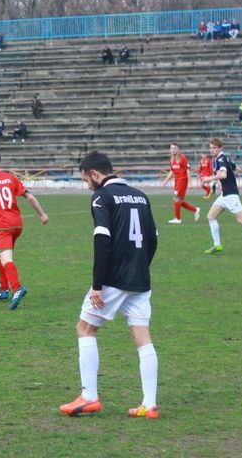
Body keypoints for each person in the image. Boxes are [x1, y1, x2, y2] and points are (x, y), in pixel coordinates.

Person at [59, 151, 159, 419]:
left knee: (85, 328)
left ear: (95, 174)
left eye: (85, 180)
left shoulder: (102, 197)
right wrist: (140, 267)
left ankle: (89, 396)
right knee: (142, 336)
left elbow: (102, 240)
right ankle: (149, 405)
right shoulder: (140, 195)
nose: (87, 186)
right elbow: (153, 237)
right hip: (140, 278)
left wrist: (97, 285)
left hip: (114, 277)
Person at [0, 150, 49, 310]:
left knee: (6, 258)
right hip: (17, 224)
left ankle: (17, 288)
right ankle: (4, 290)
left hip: (1, 226)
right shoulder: (10, 177)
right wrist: (42, 214)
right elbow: (30, 197)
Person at [200, 138, 242, 256]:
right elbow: (235, 167)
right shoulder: (223, 158)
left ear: (220, 148)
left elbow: (223, 174)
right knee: (210, 216)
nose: (212, 150)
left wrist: (208, 178)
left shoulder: (220, 159)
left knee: (241, 219)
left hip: (231, 195)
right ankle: (217, 245)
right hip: (224, 195)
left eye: (214, 148)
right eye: (210, 148)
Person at [160, 144, 200, 224]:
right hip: (177, 181)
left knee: (176, 199)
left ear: (178, 149)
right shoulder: (172, 159)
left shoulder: (183, 158)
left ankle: (177, 219)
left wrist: (190, 183)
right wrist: (165, 181)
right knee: (179, 201)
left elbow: (188, 170)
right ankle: (195, 210)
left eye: (175, 148)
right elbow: (172, 171)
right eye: (171, 148)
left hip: (183, 181)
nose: (173, 149)